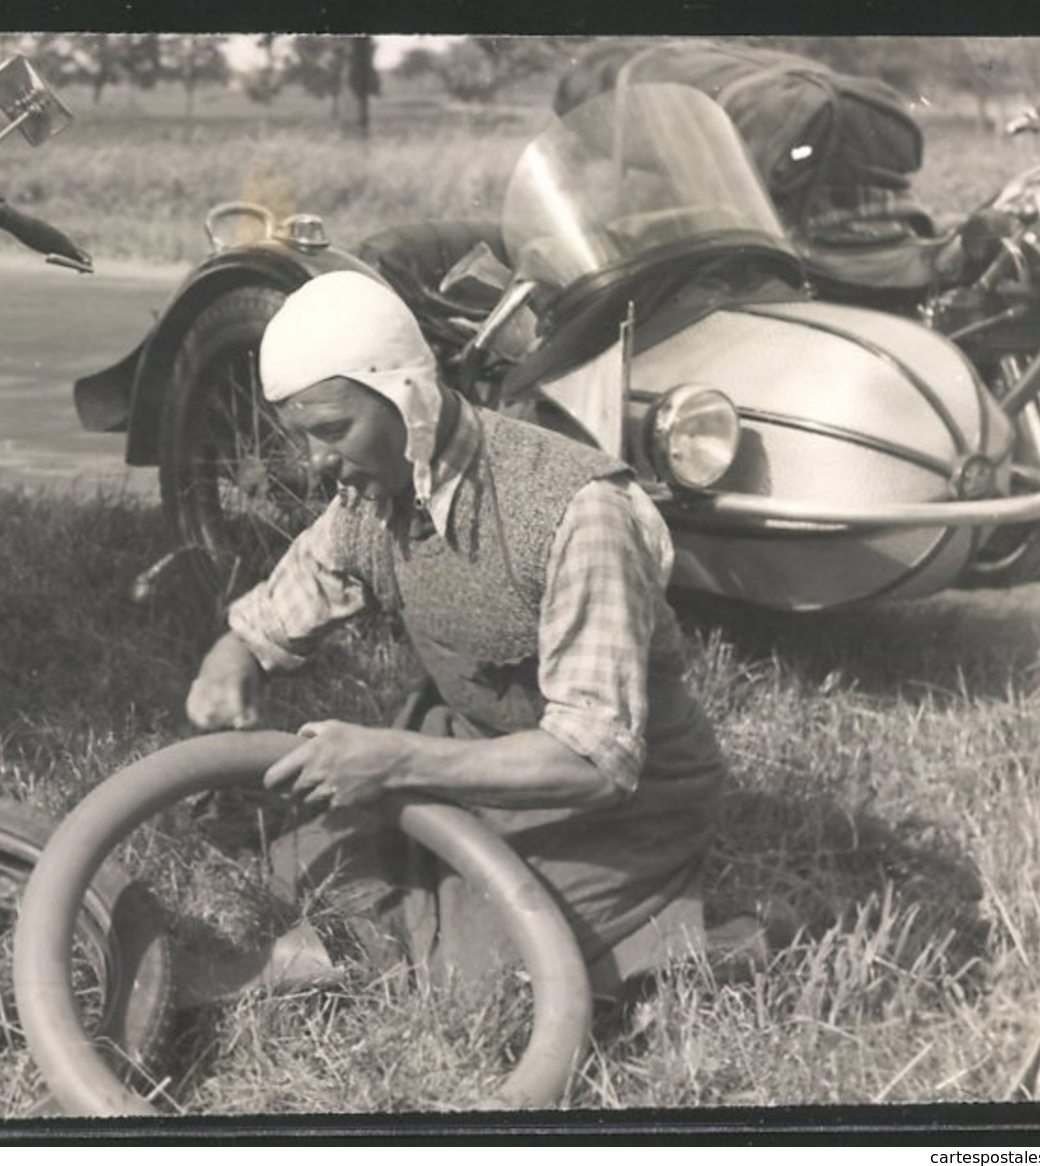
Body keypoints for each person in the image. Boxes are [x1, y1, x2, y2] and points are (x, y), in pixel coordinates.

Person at [183, 270, 740, 1002]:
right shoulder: (373, 491)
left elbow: (594, 763)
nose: (315, 464)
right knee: (299, 862)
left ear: (407, 398)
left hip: (618, 805)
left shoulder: (575, 511)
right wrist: (235, 653)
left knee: (482, 976)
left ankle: (723, 934)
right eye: (300, 437)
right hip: (471, 752)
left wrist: (395, 762)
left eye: (330, 431)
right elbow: (289, 599)